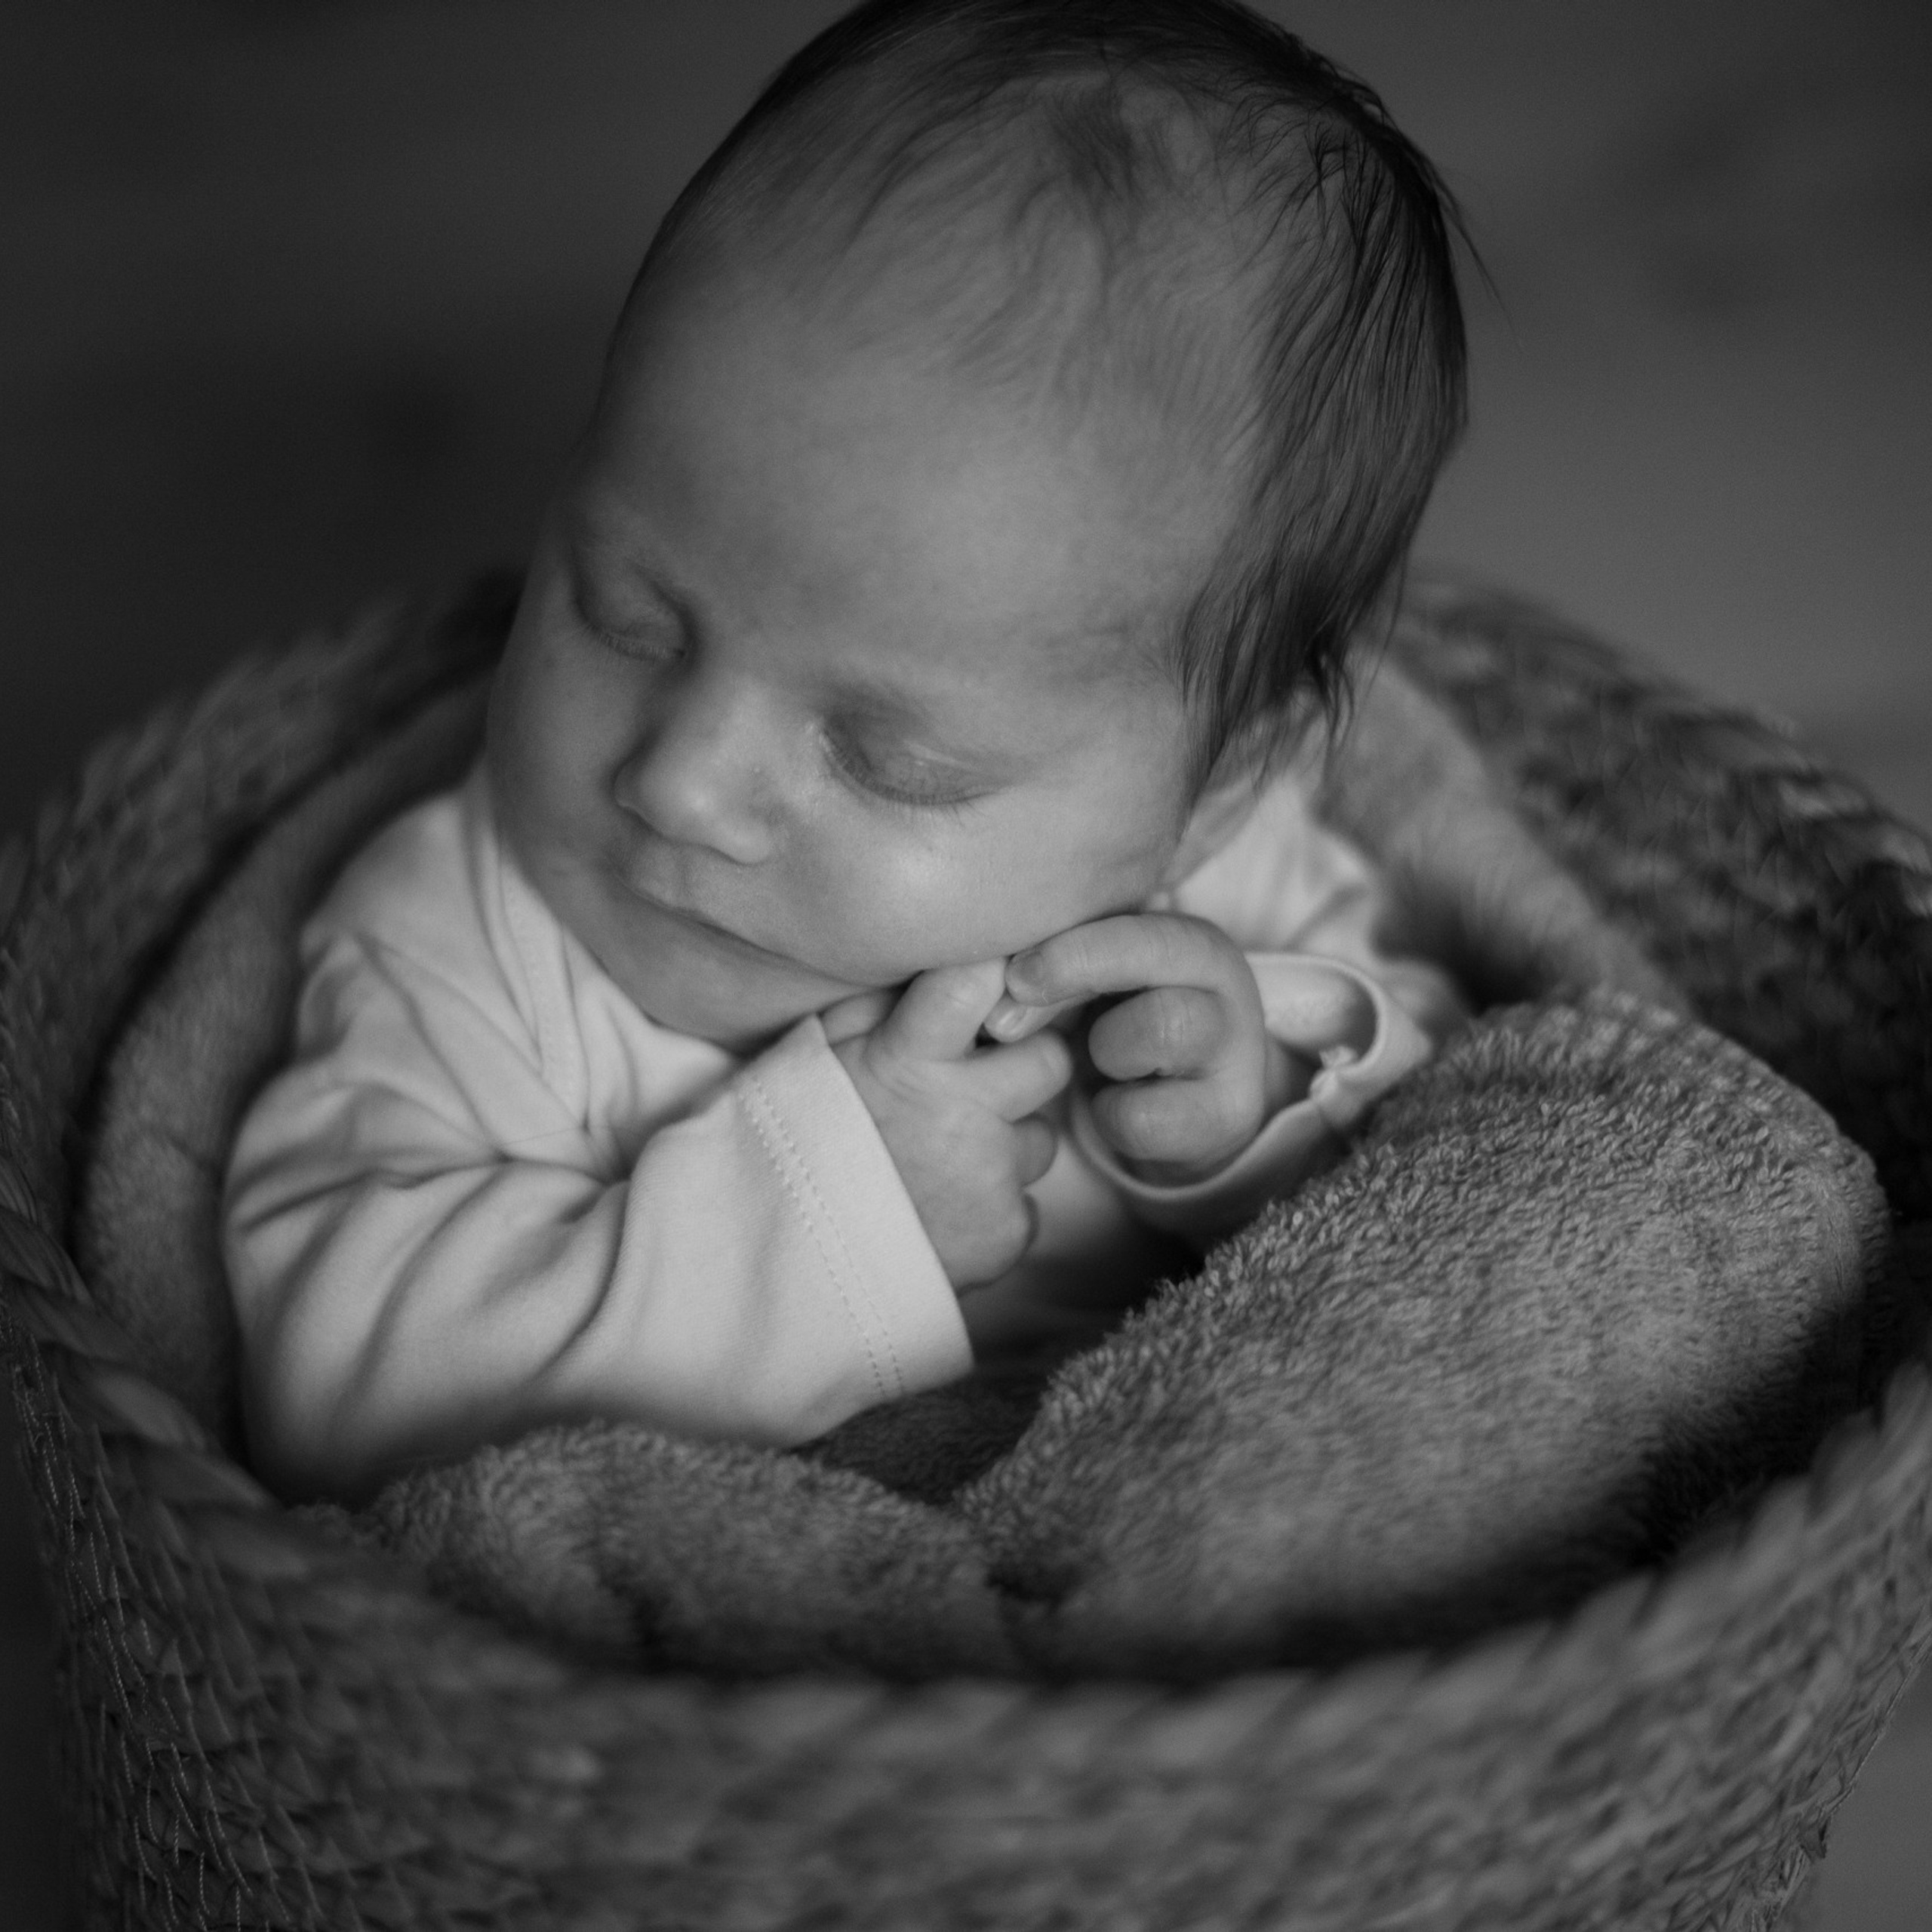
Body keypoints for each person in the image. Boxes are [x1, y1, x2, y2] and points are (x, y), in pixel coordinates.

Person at [224, 0, 1471, 1503]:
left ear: (1207, 790)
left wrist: (1251, 1104)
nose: (678, 780)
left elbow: (1439, 1163)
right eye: (623, 615)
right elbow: (341, 1399)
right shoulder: (462, 941)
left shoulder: (1200, 896)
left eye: (887, 761)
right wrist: (831, 1210)